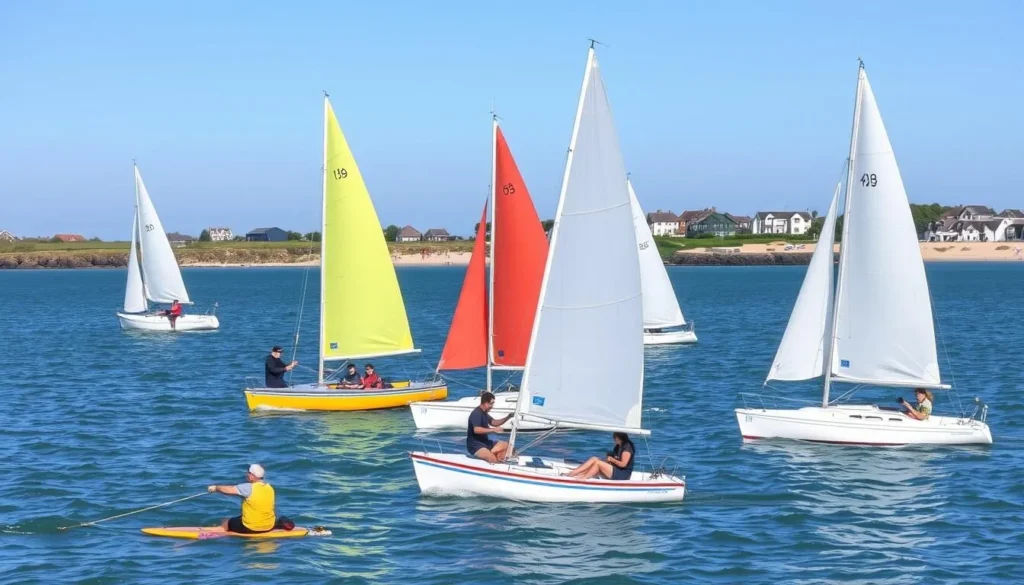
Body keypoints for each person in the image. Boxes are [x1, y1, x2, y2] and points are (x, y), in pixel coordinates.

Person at [208, 464, 278, 534]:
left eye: (248, 473)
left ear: (252, 475)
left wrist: (216, 488)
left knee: (227, 521)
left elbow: (229, 490)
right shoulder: (270, 488)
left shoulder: (248, 487)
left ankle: (219, 531)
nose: (247, 475)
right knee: (241, 517)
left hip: (251, 527)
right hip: (269, 526)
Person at [565, 432, 636, 481]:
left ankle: (584, 478)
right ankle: (575, 473)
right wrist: (608, 459)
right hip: (615, 470)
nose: (613, 439)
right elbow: (613, 458)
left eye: (615, 437)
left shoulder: (627, 448)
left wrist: (611, 459)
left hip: (623, 475)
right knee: (594, 459)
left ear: (620, 437)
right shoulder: (618, 446)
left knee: (598, 464)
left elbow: (623, 464)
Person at [467, 391, 513, 463]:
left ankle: (497, 456)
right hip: (475, 446)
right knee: (493, 459)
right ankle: (494, 460)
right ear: (485, 403)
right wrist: (493, 430)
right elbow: (476, 430)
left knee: (507, 446)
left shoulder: (484, 413)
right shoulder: (476, 413)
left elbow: (493, 422)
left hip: (485, 443)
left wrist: (508, 417)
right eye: (491, 404)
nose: (492, 406)